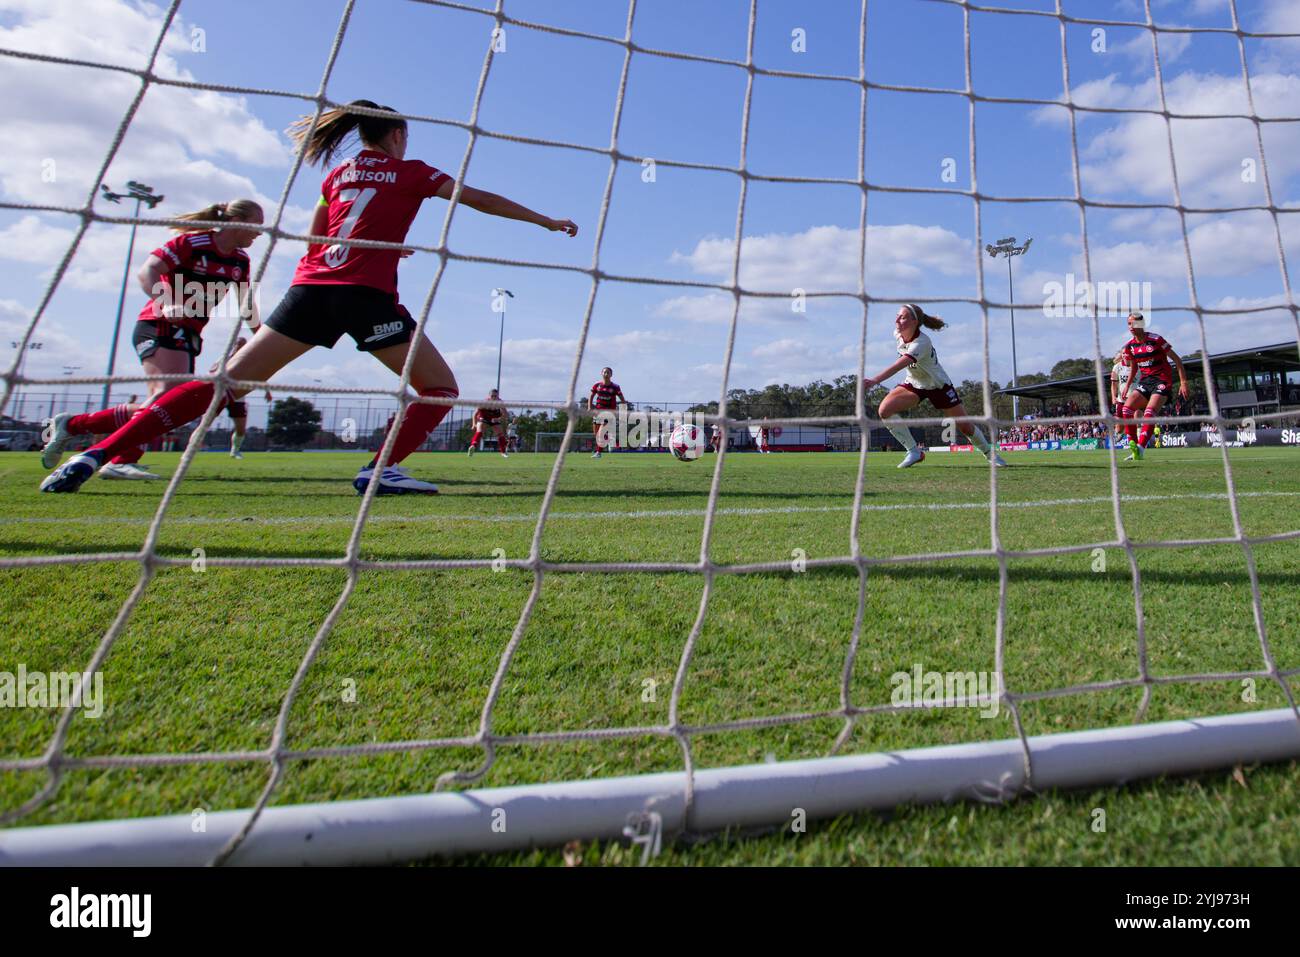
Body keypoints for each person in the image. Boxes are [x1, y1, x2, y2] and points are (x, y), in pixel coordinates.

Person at [41, 100, 577, 494]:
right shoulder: (412, 172)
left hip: (309, 289)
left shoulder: (337, 174)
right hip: (365, 297)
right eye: (404, 138)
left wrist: (381, 244)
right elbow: (477, 198)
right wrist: (545, 221)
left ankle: (96, 452)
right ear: (394, 136)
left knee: (222, 384)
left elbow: (319, 238)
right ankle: (380, 468)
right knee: (437, 387)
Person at [40, 199, 264, 476]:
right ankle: (120, 460)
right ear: (235, 221)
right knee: (167, 395)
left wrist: (262, 341)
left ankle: (73, 425)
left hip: (190, 334)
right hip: (158, 324)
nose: (260, 232)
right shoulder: (193, 244)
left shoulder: (240, 260)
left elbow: (247, 304)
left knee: (170, 404)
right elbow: (148, 270)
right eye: (256, 225)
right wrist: (167, 301)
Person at [864, 303, 1006, 469]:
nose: (896, 320)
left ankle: (990, 454)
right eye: (897, 315)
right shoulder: (898, 334)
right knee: (884, 410)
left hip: (938, 386)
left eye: (902, 317)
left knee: (965, 426)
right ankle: (914, 451)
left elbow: (899, 365)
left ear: (914, 322)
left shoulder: (922, 342)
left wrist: (875, 380)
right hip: (915, 384)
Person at [1119, 312, 1188, 462]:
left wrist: (1183, 383)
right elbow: (1135, 368)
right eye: (1129, 323)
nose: (1131, 326)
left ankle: (1141, 449)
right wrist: (1128, 385)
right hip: (1145, 382)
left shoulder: (1156, 340)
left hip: (1162, 381)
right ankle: (1132, 443)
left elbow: (1177, 360)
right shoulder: (1130, 346)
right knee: (1126, 409)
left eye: (1134, 323)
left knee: (1149, 413)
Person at [588, 366, 626, 459]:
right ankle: (604, 441)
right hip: (598, 412)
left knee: (601, 433)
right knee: (596, 434)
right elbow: (591, 396)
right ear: (601, 374)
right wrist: (590, 407)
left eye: (608, 372)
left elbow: (622, 399)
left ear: (611, 375)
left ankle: (598, 453)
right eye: (604, 372)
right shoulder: (597, 386)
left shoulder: (615, 387)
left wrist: (623, 408)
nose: (606, 374)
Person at [468, 388, 509, 458]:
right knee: (479, 431)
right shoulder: (484, 403)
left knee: (500, 434)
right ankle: (472, 446)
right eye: (492, 396)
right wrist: (474, 424)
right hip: (484, 417)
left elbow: (506, 414)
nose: (494, 397)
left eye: (495, 396)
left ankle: (503, 452)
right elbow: (475, 414)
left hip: (494, 418)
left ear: (498, 396)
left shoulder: (500, 402)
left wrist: (498, 419)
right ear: (489, 396)